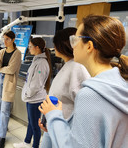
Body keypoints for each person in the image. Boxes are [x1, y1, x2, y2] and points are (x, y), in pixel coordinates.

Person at [39, 15, 128, 148]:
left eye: (75, 40)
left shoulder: (90, 96)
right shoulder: (120, 83)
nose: (72, 45)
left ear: (89, 46)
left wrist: (53, 115)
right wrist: (54, 125)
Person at [13, 37, 52, 148]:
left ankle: (35, 146)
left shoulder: (41, 63)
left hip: (35, 99)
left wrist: (27, 94)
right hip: (31, 98)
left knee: (35, 125)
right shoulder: (37, 60)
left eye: (30, 46)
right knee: (31, 122)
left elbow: (36, 84)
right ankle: (26, 142)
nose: (29, 48)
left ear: (37, 47)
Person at [48, 27, 90, 120]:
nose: (54, 47)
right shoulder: (69, 65)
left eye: (55, 44)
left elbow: (83, 106)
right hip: (55, 123)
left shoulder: (77, 68)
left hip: (64, 126)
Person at [0, 30, 22, 148]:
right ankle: (2, 126)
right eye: (4, 39)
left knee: (5, 109)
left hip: (8, 81)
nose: (5, 41)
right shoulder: (2, 51)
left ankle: (2, 136)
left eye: (7, 39)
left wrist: (0, 69)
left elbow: (11, 69)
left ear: (13, 40)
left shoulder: (17, 53)